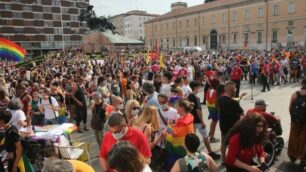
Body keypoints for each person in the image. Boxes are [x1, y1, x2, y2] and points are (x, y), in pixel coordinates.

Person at [187, 80, 220, 160]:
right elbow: (198, 111)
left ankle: (192, 153)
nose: (199, 89)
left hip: (191, 119)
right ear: (195, 88)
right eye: (198, 87)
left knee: (192, 135)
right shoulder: (196, 97)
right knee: (205, 136)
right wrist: (202, 121)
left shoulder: (189, 96)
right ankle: (210, 152)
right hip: (198, 120)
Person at [217, 81, 244, 163]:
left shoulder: (220, 99)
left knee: (224, 143)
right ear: (231, 90)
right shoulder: (233, 103)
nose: (236, 90)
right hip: (234, 128)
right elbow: (242, 113)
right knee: (235, 144)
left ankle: (223, 160)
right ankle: (234, 159)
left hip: (223, 126)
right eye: (235, 89)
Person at [164, 98, 194, 171]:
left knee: (178, 165)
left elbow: (174, 134)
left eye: (176, 106)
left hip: (178, 148)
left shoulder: (183, 122)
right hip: (187, 145)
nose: (175, 108)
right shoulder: (189, 116)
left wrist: (168, 127)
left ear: (182, 108)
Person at [288, 78, 306, 167]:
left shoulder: (295, 94)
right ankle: (303, 160)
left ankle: (292, 157)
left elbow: (290, 107)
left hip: (295, 122)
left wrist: (293, 120)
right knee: (303, 141)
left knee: (293, 138)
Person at [206, 79, 220, 143]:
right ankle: (212, 137)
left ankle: (210, 133)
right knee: (214, 123)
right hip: (214, 108)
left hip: (211, 108)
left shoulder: (209, 89)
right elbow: (212, 100)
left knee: (213, 121)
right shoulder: (214, 91)